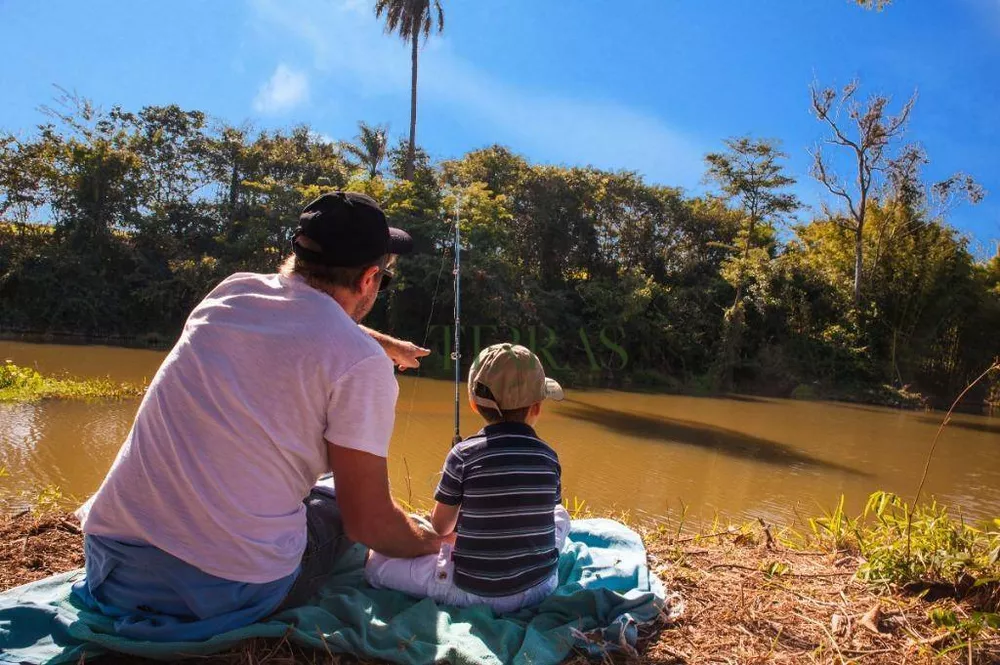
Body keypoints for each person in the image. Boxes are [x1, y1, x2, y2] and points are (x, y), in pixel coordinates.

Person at [72, 191, 451, 641]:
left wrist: (386, 344)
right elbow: (367, 523)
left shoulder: (231, 291)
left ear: (298, 251)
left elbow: (308, 312)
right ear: (370, 278)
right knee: (331, 503)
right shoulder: (358, 363)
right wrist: (431, 541)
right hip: (221, 591)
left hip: (110, 567)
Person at [365, 343, 571, 613]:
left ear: (474, 405)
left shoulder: (462, 455)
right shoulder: (549, 457)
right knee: (560, 515)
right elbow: (543, 508)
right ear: (537, 407)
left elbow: (441, 528)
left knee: (376, 563)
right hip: (540, 586)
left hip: (472, 591)